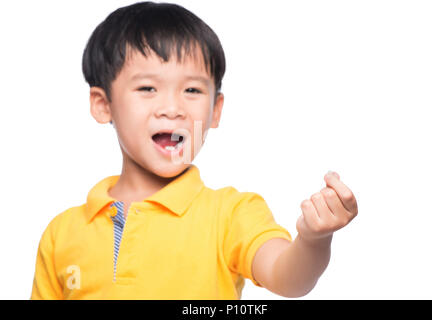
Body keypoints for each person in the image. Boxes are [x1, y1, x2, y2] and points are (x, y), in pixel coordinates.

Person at [31, 1, 358, 300]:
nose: (172, 108)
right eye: (148, 88)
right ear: (104, 105)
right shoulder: (62, 233)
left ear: (215, 110)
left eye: (191, 90)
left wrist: (314, 240)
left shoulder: (231, 214)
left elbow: (288, 278)